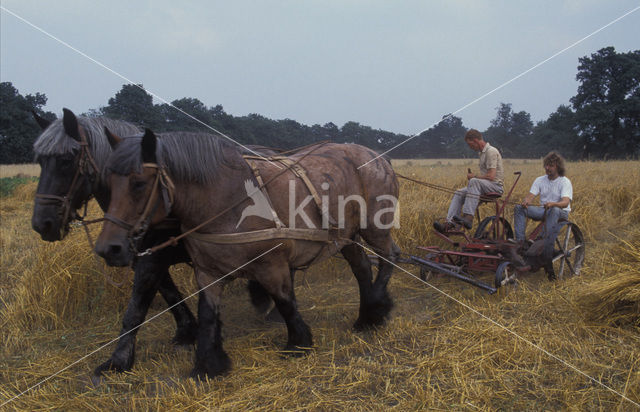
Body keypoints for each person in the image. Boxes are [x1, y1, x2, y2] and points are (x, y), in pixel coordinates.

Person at [513, 151, 572, 279]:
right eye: (546, 165)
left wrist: (553, 204)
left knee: (554, 210)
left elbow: (565, 202)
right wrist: (526, 202)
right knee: (519, 208)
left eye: (550, 166)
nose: (547, 168)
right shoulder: (540, 180)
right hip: (543, 211)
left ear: (557, 166)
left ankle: (544, 241)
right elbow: (530, 196)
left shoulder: (564, 181)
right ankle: (520, 242)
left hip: (560, 212)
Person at [434, 129, 504, 233]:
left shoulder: (491, 151)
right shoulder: (482, 153)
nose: (470, 147)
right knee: (459, 193)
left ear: (476, 140)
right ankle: (450, 224)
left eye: (470, 144)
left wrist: (474, 176)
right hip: (485, 186)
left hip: (495, 186)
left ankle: (468, 218)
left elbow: (491, 176)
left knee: (474, 181)